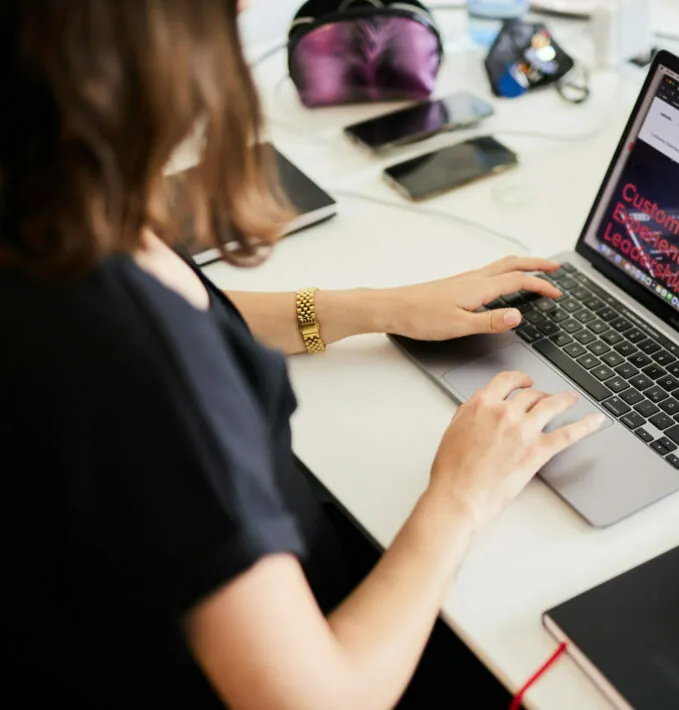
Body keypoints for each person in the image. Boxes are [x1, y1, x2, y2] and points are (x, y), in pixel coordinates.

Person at [0, 1, 604, 708]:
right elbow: (321, 699)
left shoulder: (49, 210)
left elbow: (197, 310)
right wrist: (460, 496)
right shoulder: (137, 360)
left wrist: (380, 307)